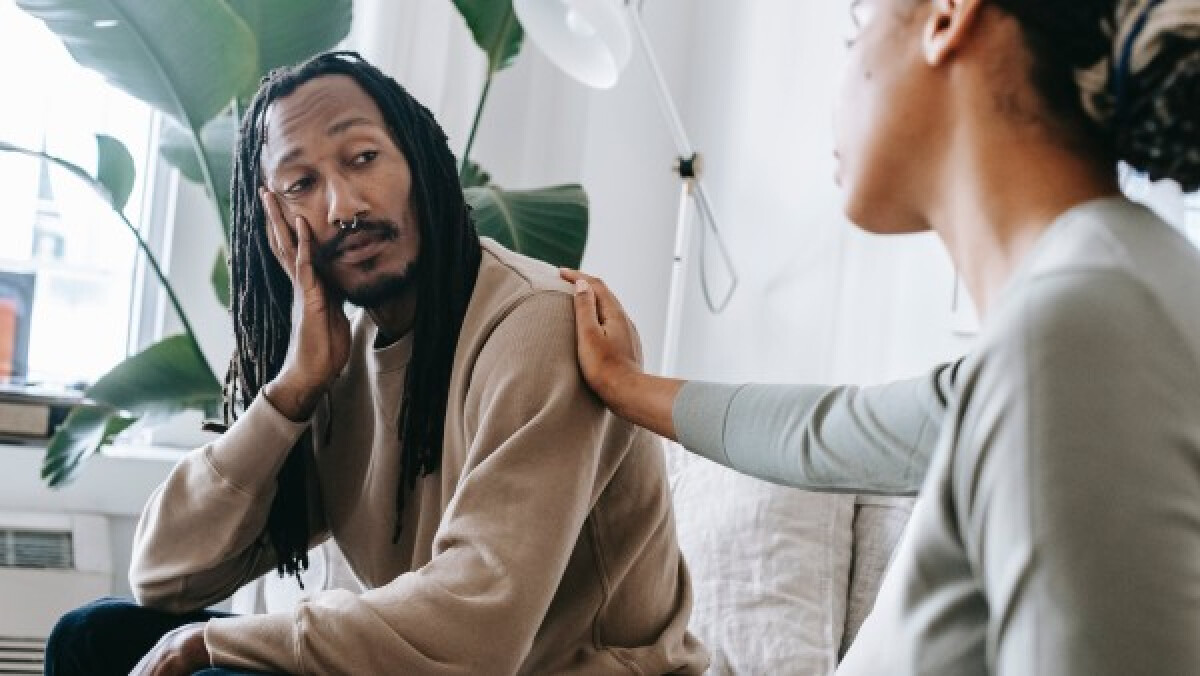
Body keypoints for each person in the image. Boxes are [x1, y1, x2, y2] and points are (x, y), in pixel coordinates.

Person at [562, 0, 1200, 674]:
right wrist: (624, 385)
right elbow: (829, 432)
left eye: (852, 31)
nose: (839, 81)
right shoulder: (1099, 303)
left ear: (949, 17)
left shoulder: (1077, 336)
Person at [45, 51, 708, 676]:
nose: (344, 207)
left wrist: (213, 640)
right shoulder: (341, 362)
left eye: (363, 157)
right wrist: (291, 391)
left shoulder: (535, 323)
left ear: (418, 161)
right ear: (276, 223)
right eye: (302, 183)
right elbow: (165, 575)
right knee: (91, 639)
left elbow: (480, 630)